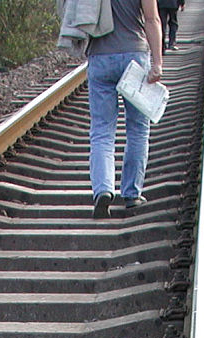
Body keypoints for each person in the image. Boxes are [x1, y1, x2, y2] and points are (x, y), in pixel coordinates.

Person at [87, 0, 164, 219]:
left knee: (102, 130)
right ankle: (131, 193)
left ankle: (103, 189)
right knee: (138, 128)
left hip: (99, 56)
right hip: (134, 55)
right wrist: (157, 62)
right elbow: (152, 19)